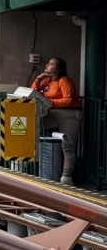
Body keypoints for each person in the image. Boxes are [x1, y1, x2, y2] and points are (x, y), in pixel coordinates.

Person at [32, 57, 81, 185]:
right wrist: (38, 79)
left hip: (68, 114)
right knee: (35, 129)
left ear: (58, 68)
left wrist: (50, 102)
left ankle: (66, 177)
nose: (47, 65)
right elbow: (34, 92)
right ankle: (36, 166)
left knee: (67, 145)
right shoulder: (47, 81)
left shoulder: (64, 81)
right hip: (52, 112)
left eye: (51, 64)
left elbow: (68, 100)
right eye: (48, 63)